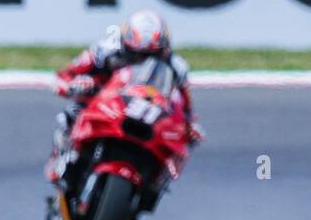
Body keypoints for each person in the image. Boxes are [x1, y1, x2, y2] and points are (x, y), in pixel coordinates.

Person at [51, 9, 203, 160]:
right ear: (125, 43)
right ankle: (67, 154)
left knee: (175, 143)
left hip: (149, 110)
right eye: (135, 55)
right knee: (73, 112)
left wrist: (190, 126)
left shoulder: (176, 66)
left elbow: (185, 105)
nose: (143, 63)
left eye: (152, 56)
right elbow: (63, 77)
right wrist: (75, 85)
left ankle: (156, 177)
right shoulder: (104, 51)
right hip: (105, 102)